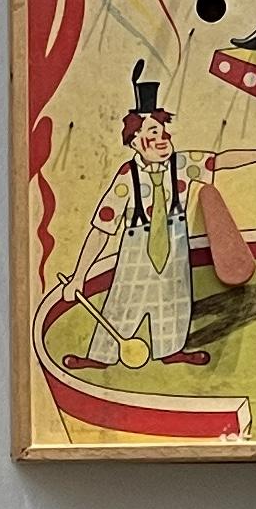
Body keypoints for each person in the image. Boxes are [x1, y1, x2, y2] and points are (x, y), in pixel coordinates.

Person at [82, 64, 203, 366]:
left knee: (174, 302)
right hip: (137, 255)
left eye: (163, 132)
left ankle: (172, 349)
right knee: (123, 304)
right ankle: (101, 356)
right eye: (153, 132)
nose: (162, 139)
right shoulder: (128, 176)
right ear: (135, 141)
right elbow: (102, 227)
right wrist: (79, 275)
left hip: (174, 254)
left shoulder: (182, 165)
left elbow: (222, 161)